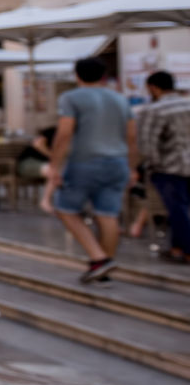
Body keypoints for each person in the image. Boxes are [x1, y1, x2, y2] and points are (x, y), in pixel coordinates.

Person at [42, 57, 135, 284]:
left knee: (66, 209)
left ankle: (99, 258)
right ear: (104, 76)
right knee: (108, 214)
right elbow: (132, 136)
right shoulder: (121, 99)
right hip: (118, 162)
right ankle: (103, 266)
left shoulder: (71, 98)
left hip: (85, 162)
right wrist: (132, 167)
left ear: (77, 75)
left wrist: (54, 166)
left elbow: (64, 134)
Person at [136, 70, 190, 264]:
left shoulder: (153, 110)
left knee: (177, 209)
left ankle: (186, 249)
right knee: (181, 209)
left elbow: (147, 145)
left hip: (170, 167)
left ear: (153, 88)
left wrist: (151, 166)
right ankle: (176, 248)